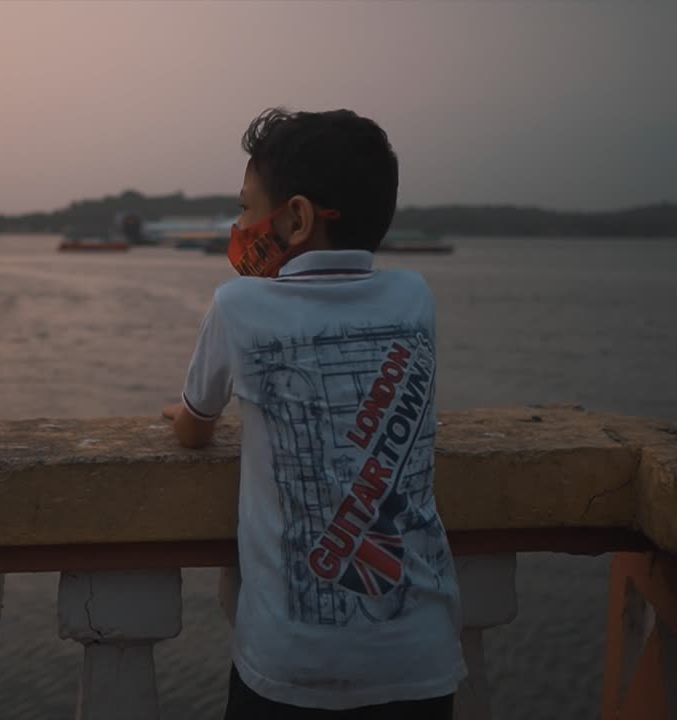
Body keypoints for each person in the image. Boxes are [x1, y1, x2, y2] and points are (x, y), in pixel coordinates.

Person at [163, 108, 464, 719]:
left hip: (290, 668)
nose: (240, 226)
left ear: (296, 218)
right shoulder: (416, 298)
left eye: (248, 209)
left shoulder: (238, 305)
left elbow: (196, 429)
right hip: (422, 661)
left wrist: (181, 415)